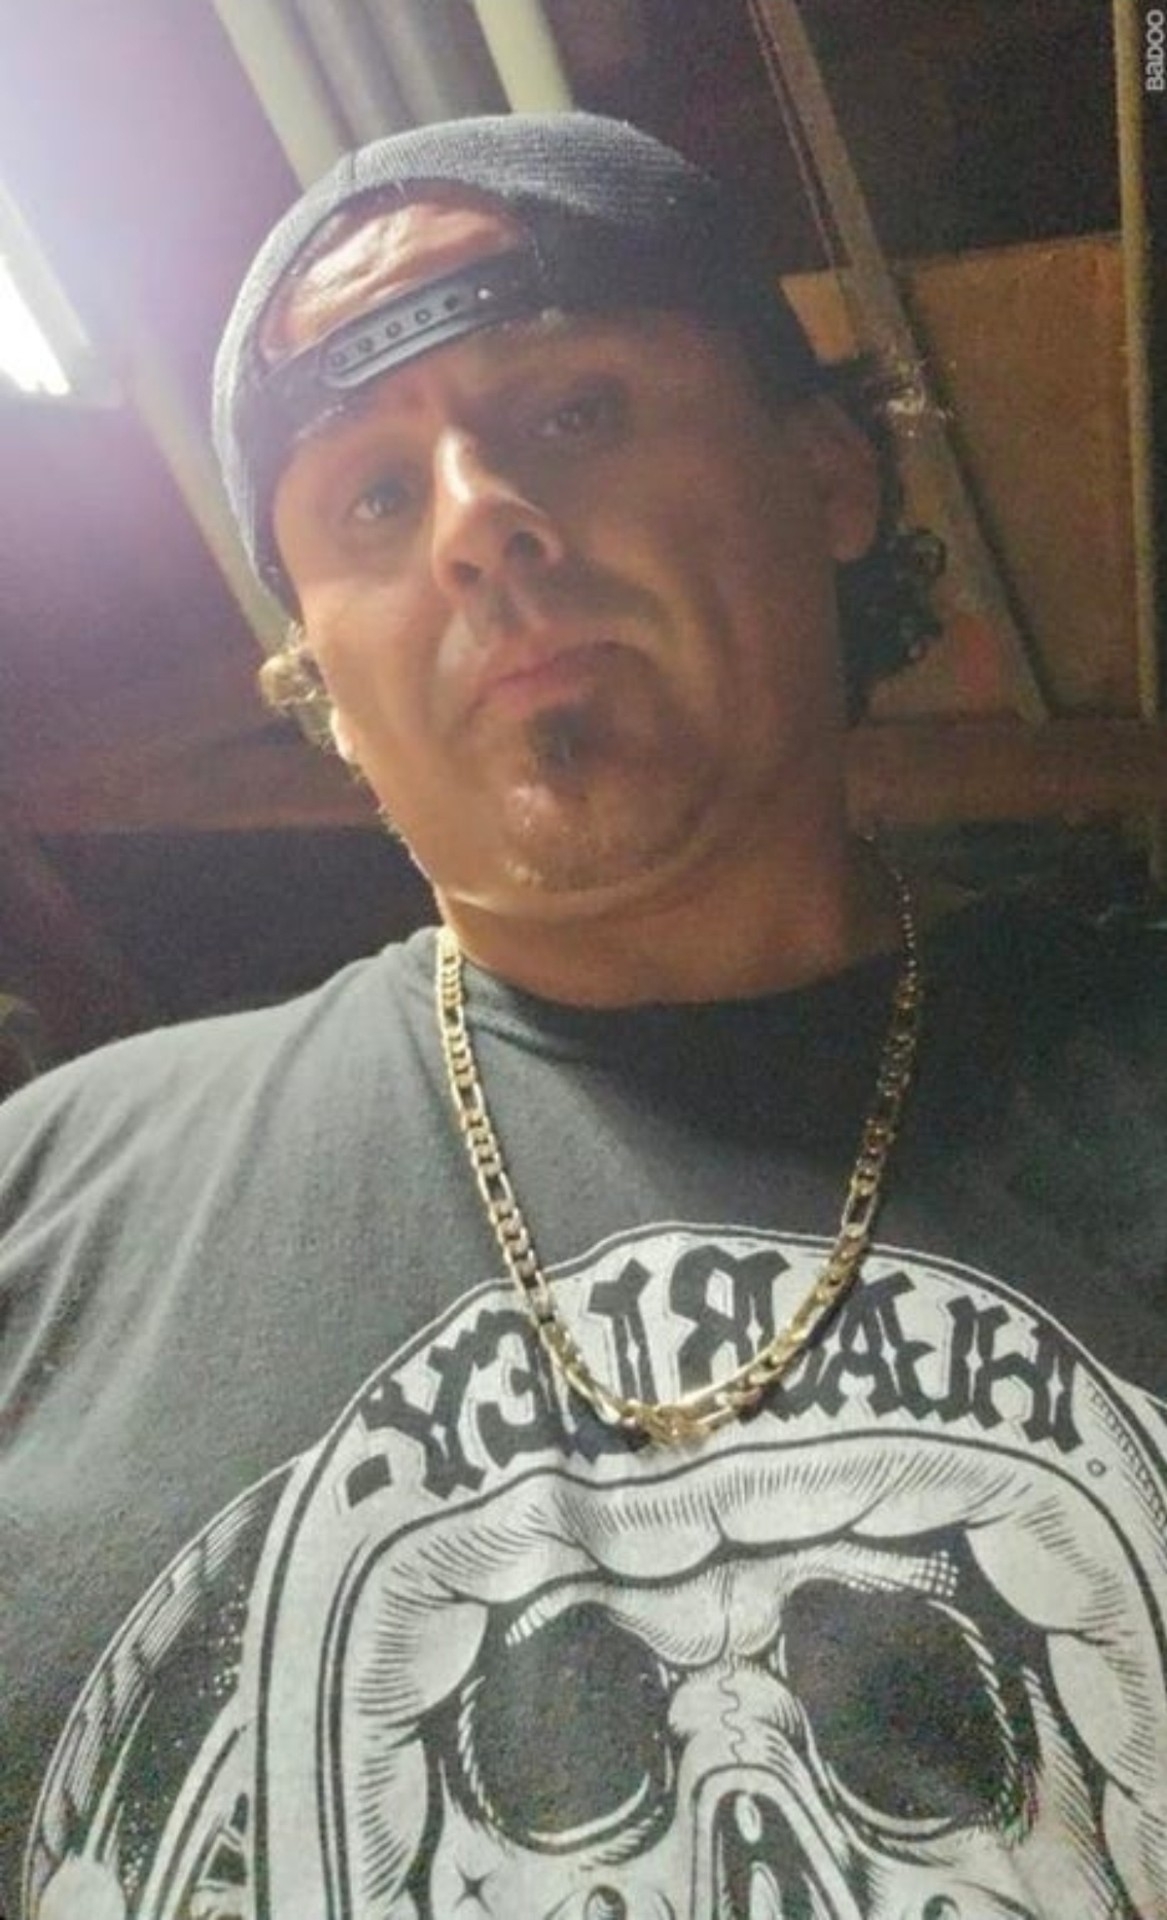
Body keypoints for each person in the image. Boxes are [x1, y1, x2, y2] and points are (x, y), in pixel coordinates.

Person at [1, 111, 1165, 1920]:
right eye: (374, 499)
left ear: (828, 473)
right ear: (321, 682)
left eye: (573, 412)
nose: (479, 521)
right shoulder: (46, 1204)